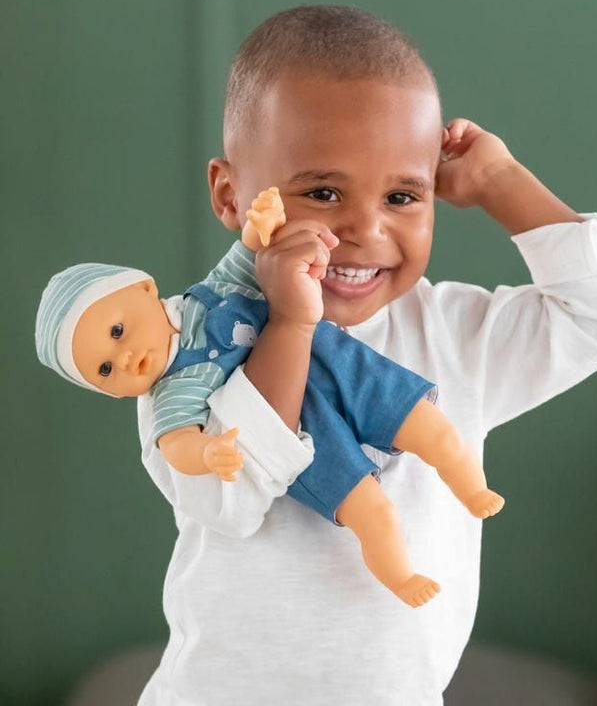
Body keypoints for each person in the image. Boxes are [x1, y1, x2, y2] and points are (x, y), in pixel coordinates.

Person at [133, 4, 597, 706]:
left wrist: (500, 182)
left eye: (403, 195)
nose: (366, 229)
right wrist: (290, 324)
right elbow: (230, 500)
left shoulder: (454, 338)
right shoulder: (183, 344)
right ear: (231, 195)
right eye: (323, 192)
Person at [34, 186, 504, 608]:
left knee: (429, 426)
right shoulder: (174, 389)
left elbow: (245, 257)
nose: (125, 357)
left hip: (331, 362)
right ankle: (400, 576)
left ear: (144, 288)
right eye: (104, 370)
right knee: (370, 509)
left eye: (117, 331)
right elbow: (175, 443)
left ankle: (473, 487)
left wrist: (259, 227)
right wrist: (208, 452)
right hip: (299, 428)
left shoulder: (207, 296)